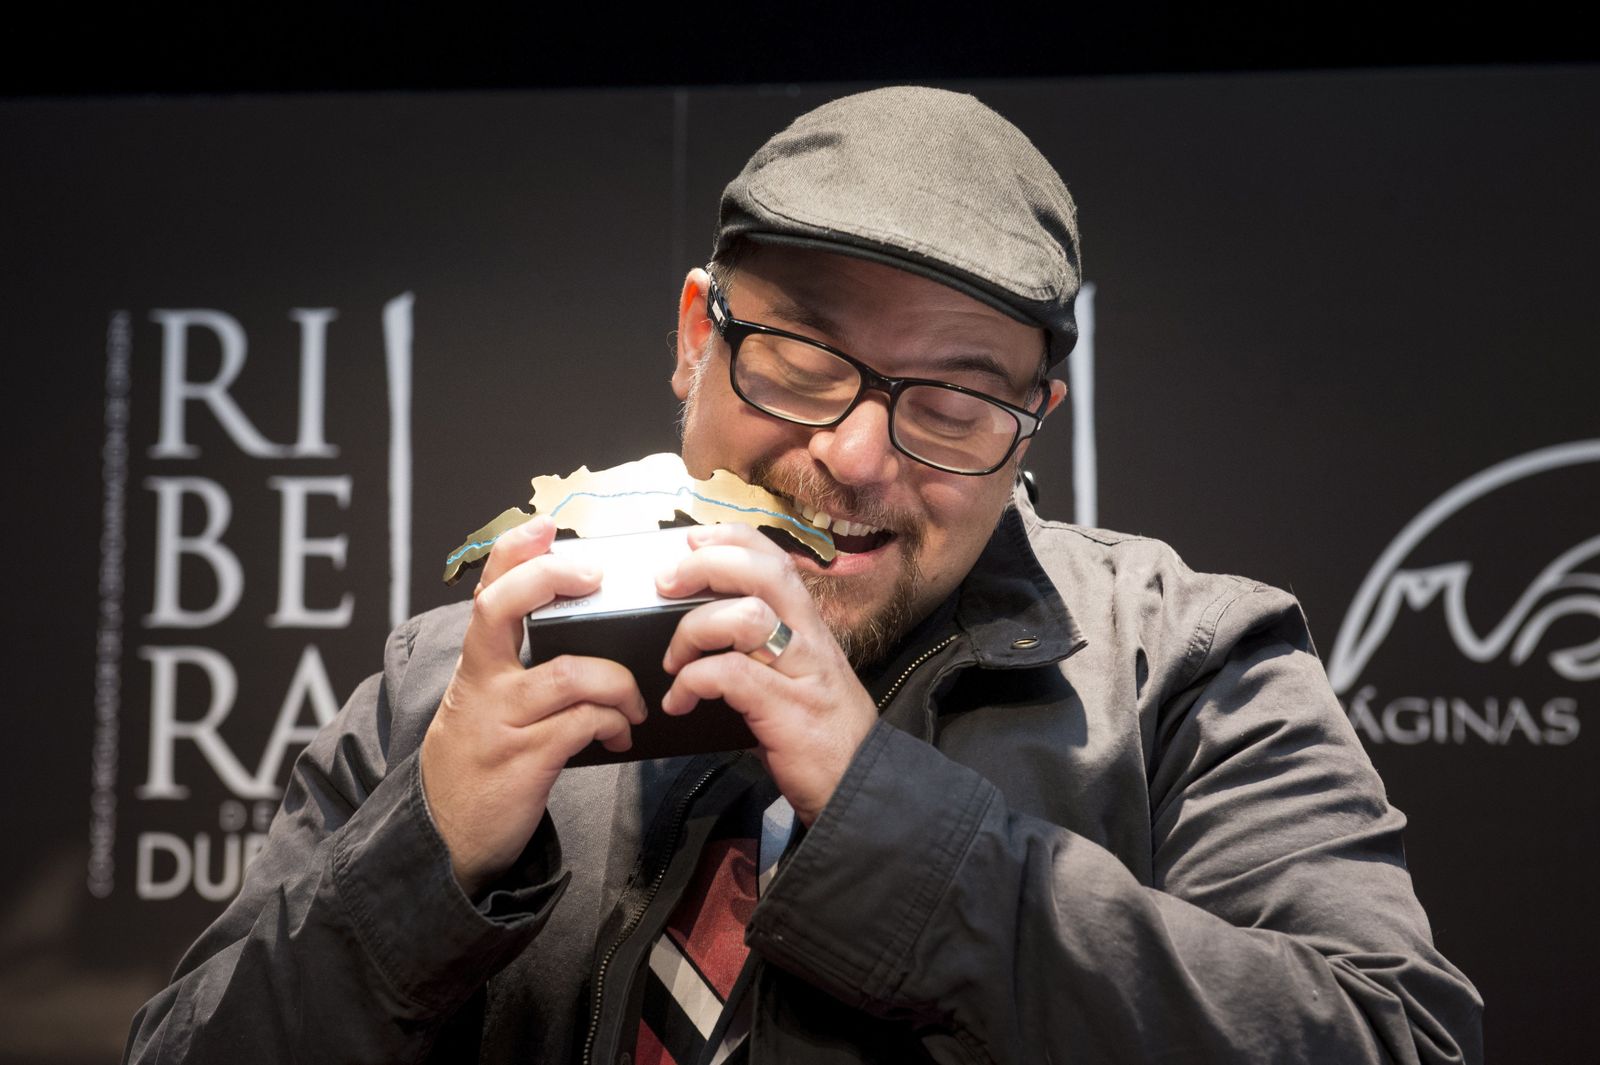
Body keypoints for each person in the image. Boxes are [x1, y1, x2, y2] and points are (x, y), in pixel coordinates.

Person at [125, 86, 1482, 1064]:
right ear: (694, 338)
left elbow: (1394, 1037)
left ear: (1034, 426)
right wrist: (429, 855)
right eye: (801, 361)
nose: (853, 457)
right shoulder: (456, 673)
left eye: (954, 402)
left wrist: (884, 812)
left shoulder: (1185, 663)